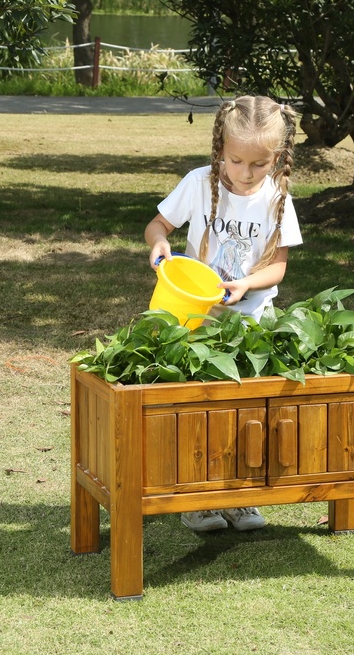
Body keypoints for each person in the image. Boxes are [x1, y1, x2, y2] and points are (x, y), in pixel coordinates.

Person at [144, 95, 303, 533]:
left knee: (245, 413)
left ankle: (240, 497)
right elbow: (158, 226)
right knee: (198, 410)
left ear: (278, 158)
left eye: (258, 164)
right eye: (235, 161)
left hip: (251, 325)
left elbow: (277, 268)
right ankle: (196, 498)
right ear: (220, 151)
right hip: (197, 321)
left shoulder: (278, 199)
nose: (245, 174)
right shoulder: (199, 182)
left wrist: (247, 284)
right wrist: (159, 244)